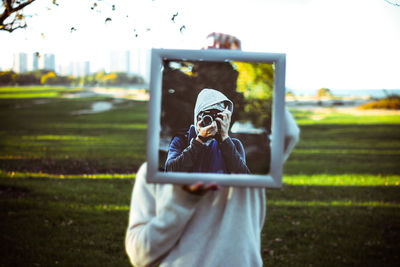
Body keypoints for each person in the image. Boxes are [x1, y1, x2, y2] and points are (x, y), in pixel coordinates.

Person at [125, 33, 300, 267]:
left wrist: (225, 137)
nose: (211, 120)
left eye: (218, 115)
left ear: (228, 117)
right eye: (206, 114)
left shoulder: (237, 151)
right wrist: (185, 193)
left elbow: (286, 134)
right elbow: (140, 255)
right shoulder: (159, 165)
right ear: (196, 116)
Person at [165, 88, 250, 174]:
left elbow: (244, 179)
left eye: (217, 117)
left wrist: (224, 138)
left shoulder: (234, 145)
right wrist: (199, 140)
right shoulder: (182, 140)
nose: (211, 122)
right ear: (197, 117)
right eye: (207, 116)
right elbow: (169, 172)